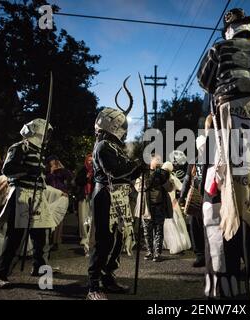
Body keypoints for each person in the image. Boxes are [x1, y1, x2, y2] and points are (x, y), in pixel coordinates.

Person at [197, 7, 250, 299]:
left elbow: (204, 81)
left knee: (227, 191)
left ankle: (227, 284)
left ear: (229, 29)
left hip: (230, 114)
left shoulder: (219, 49)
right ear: (249, 28)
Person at [87, 83, 143, 300]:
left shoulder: (114, 147)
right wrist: (136, 164)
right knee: (103, 241)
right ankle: (93, 285)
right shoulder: (103, 147)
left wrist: (140, 168)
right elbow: (115, 171)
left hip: (119, 197)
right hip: (105, 196)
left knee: (118, 239)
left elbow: (128, 175)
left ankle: (108, 278)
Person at [0, 118, 53, 288]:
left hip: (37, 198)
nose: (48, 136)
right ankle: (1, 274)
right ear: (38, 130)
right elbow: (8, 169)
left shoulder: (40, 151)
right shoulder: (20, 147)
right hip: (21, 196)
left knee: (41, 237)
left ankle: (39, 268)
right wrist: (27, 170)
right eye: (46, 132)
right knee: (14, 237)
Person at [135, 154, 173, 263]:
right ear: (151, 161)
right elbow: (140, 187)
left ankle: (157, 253)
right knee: (147, 230)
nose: (159, 161)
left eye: (160, 160)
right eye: (157, 159)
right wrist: (152, 177)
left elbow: (170, 188)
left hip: (159, 206)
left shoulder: (164, 173)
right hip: (146, 207)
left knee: (159, 230)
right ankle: (149, 251)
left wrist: (163, 179)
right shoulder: (144, 173)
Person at [179, 133, 208, 268]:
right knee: (195, 227)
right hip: (196, 198)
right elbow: (187, 180)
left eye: (204, 146)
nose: (202, 149)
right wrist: (182, 197)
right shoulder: (193, 162)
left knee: (209, 228)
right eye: (200, 147)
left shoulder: (212, 161)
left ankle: (210, 255)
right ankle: (200, 255)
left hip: (210, 198)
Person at [161, 161, 191, 255]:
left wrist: (178, 199)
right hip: (164, 205)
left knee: (174, 225)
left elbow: (182, 188)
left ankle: (177, 245)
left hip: (172, 205)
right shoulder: (161, 179)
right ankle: (170, 244)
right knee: (168, 226)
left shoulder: (173, 179)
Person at [45, 155, 73, 251]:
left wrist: (62, 168)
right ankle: (47, 240)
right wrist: (52, 172)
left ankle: (56, 241)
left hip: (61, 195)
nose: (54, 162)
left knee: (59, 219)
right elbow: (46, 181)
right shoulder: (47, 171)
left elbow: (69, 176)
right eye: (52, 161)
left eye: (55, 160)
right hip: (50, 195)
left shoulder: (61, 171)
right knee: (48, 216)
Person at [75, 153, 94, 255]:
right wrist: (86, 177)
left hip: (92, 197)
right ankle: (84, 237)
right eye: (89, 160)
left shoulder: (96, 171)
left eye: (92, 160)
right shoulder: (83, 170)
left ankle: (91, 237)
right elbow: (78, 181)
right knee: (83, 218)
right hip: (83, 197)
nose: (91, 162)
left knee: (91, 218)